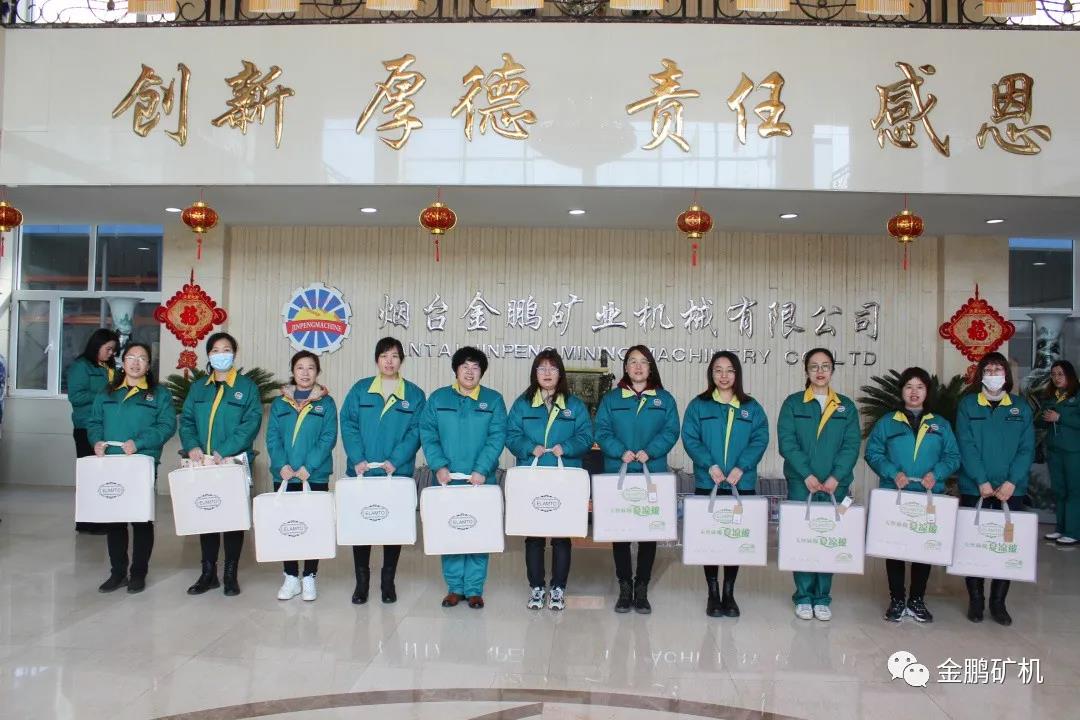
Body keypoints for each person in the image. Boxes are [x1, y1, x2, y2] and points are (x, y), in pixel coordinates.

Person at [864, 366, 961, 623]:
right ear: (901, 391)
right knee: (895, 548)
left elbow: (953, 456)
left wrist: (937, 473)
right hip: (895, 495)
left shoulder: (941, 425)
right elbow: (873, 452)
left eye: (920, 387)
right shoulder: (888, 422)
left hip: (928, 496)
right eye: (909, 387)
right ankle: (897, 600)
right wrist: (892, 472)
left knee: (923, 548)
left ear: (927, 391)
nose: (914, 392)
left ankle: (917, 600)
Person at [681, 351, 768, 618]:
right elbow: (690, 438)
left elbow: (760, 439)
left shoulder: (751, 407)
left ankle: (729, 592)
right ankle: (712, 592)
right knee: (710, 537)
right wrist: (710, 465)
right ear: (711, 374)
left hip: (742, 483)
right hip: (709, 482)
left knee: (734, 537)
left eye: (729, 370)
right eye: (718, 370)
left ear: (737, 374)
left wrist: (742, 467)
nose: (724, 375)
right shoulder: (699, 405)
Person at [777, 347, 862, 622]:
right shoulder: (793, 404)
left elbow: (851, 446)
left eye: (825, 366)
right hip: (803, 484)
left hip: (836, 485)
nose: (820, 371)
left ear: (833, 370)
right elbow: (787, 442)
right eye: (814, 366)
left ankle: (823, 597)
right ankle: (803, 596)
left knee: (828, 539)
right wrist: (806, 474)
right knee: (803, 538)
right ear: (806, 370)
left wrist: (836, 476)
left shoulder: (845, 406)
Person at [506, 349, 594, 612]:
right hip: (532, 478)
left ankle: (558, 587)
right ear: (535, 373)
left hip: (563, 478)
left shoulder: (574, 405)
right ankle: (536, 586)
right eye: (542, 368)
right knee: (533, 534)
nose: (547, 373)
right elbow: (511, 434)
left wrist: (566, 447)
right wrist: (527, 447)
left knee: (561, 534)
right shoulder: (523, 404)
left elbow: (586, 436)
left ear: (560, 374)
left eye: (552, 368)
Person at [418, 346, 506, 609]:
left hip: (481, 480)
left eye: (475, 367)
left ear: (482, 372)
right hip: (448, 479)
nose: (469, 372)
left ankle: (475, 589)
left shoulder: (493, 400)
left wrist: (482, 469)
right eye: (465, 366)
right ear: (456, 370)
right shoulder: (438, 399)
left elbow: (497, 436)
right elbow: (428, 434)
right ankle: (455, 588)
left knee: (479, 532)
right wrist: (438, 466)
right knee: (452, 531)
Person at [595, 345, 680, 615]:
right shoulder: (612, 399)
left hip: (650, 473)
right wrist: (620, 450)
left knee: (648, 531)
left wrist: (650, 451)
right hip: (618, 471)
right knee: (619, 531)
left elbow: (671, 431)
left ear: (650, 367)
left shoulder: (664, 399)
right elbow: (601, 430)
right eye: (632, 361)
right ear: (626, 367)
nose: (638, 366)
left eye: (643, 362)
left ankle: (641, 587)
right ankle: (624, 586)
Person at [340, 337, 426, 604]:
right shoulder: (361, 389)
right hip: (362, 471)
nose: (389, 361)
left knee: (393, 527)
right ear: (376, 359)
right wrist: (357, 458)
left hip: (395, 473)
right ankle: (362, 583)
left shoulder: (414, 394)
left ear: (402, 360)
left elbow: (416, 431)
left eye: (395, 356)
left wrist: (396, 460)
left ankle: (388, 582)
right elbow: (348, 423)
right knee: (361, 526)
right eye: (384, 356)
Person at [86, 342, 176, 594]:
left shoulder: (159, 394)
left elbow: (167, 425)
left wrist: (140, 442)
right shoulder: (107, 392)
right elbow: (93, 422)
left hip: (140, 464)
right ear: (122, 362)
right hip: (111, 465)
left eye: (142, 358)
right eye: (131, 357)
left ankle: (138, 573)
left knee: (140, 519)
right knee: (115, 519)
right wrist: (96, 441)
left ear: (148, 365)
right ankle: (117, 572)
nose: (136, 362)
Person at [179, 332, 263, 597]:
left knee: (233, 518)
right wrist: (192, 445)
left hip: (231, 462)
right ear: (209, 355)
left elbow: (251, 424)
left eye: (226, 349)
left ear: (234, 353)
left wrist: (223, 450)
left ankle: (230, 574)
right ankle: (208, 573)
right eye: (215, 350)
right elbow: (187, 420)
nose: (221, 354)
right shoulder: (198, 387)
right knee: (208, 515)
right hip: (203, 463)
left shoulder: (247, 387)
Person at [956, 351, 1035, 626]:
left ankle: (998, 603)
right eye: (988, 370)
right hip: (975, 487)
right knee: (974, 543)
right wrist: (981, 480)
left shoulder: (1020, 407)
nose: (993, 375)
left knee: (1005, 546)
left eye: (998, 370)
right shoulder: (968, 405)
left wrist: (1012, 482)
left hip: (1011, 490)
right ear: (981, 375)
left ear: (1006, 375)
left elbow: (1027, 448)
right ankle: (976, 599)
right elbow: (965, 445)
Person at [266, 350, 338, 602]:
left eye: (310, 368)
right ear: (293, 371)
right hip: (285, 475)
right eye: (300, 367)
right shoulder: (280, 403)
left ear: (317, 372)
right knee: (288, 526)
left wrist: (310, 466)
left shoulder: (326, 403)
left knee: (312, 525)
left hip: (314, 475)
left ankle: (309, 577)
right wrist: (280, 464)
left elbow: (328, 437)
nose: (305, 373)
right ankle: (290, 577)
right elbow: (273, 437)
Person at [68, 328, 120, 534]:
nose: (111, 353)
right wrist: (104, 393)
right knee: (89, 477)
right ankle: (87, 522)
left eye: (114, 350)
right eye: (108, 349)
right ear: (97, 346)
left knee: (103, 476)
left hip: (107, 429)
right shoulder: (81, 366)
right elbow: (76, 397)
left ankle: (100, 519)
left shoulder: (109, 367)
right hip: (86, 427)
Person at [1037, 360, 1080, 546]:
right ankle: (1061, 528)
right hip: (1054, 450)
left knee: (1074, 491)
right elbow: (1041, 421)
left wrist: (1060, 417)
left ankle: (1073, 532)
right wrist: (1043, 417)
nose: (1056, 378)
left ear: (1070, 375)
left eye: (1060, 374)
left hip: (1074, 451)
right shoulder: (1051, 396)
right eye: (1053, 374)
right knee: (1059, 490)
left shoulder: (1077, 394)